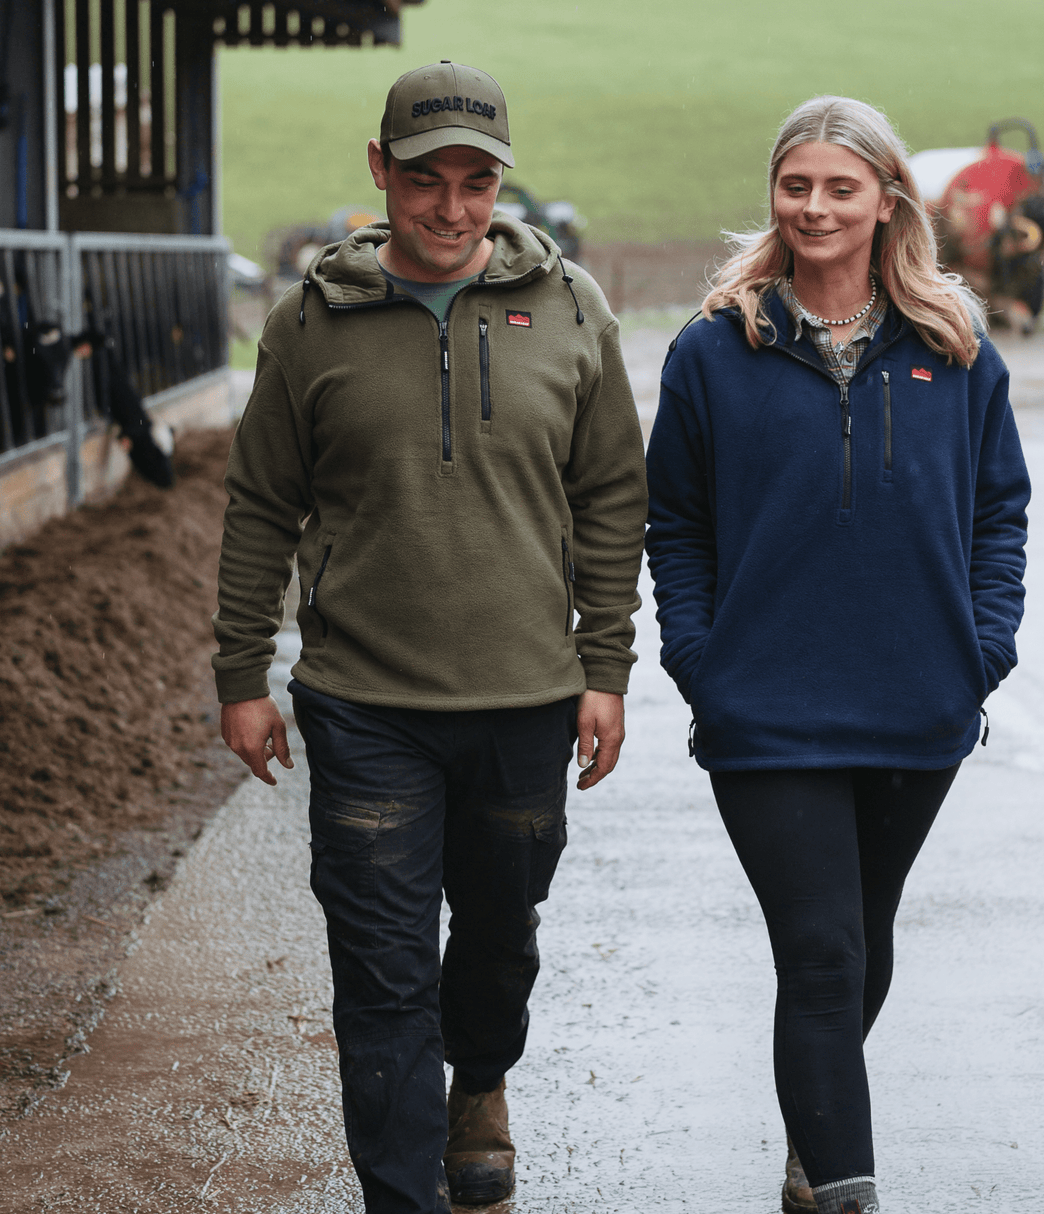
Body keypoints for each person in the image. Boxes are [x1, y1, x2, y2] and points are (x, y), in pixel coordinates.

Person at [212, 61, 647, 1214]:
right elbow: (261, 501)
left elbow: (610, 494)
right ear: (379, 171)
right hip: (364, 702)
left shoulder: (569, 310)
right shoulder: (310, 323)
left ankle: (482, 1077)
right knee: (380, 971)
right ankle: (400, 1196)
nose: (449, 208)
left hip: (524, 696)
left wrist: (605, 664)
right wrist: (241, 672)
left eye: (474, 180)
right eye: (423, 180)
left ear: (500, 179)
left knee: (499, 936)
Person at [644, 96, 1030, 1214]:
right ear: (774, 194)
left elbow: (996, 511)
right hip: (764, 706)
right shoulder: (716, 349)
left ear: (885, 201)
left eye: (838, 187)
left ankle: (814, 1142)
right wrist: (700, 659)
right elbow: (675, 522)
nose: (813, 206)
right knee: (817, 952)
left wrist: (980, 648)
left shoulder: (954, 348)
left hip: (918, 701)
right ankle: (841, 1186)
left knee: (859, 942)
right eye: (794, 184)